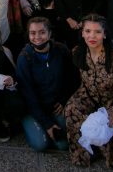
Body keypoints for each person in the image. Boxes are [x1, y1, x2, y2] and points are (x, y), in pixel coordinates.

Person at [65, 14, 113, 167]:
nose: (92, 36)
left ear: (105, 34)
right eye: (87, 31)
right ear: (82, 33)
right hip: (90, 95)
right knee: (71, 109)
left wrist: (112, 112)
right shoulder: (77, 53)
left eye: (97, 32)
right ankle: (85, 152)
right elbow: (80, 83)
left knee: (112, 124)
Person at [16, 17, 79, 152]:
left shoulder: (61, 50)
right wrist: (48, 124)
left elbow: (72, 79)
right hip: (33, 110)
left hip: (55, 106)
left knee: (63, 145)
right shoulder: (25, 58)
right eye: (33, 33)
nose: (37, 37)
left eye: (42, 32)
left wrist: (63, 101)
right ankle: (33, 127)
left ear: (50, 34)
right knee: (41, 144)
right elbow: (28, 95)